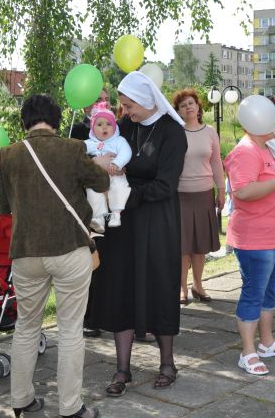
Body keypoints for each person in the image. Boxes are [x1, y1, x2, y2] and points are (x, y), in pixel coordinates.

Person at [0, 94, 107, 418]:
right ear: (56, 121)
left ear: (24, 122)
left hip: (26, 252)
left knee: (27, 328)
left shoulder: (8, 155)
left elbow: (2, 208)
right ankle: (71, 408)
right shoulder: (72, 148)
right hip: (69, 248)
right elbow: (100, 181)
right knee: (70, 329)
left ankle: (21, 401)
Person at [89, 71, 187, 395]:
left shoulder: (173, 132)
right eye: (123, 105)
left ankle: (168, 363)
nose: (126, 112)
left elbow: (165, 185)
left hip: (158, 221)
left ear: (146, 101)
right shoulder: (125, 128)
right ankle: (122, 369)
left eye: (130, 105)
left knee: (160, 285)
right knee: (121, 289)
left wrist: (129, 191)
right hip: (123, 223)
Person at [224, 118, 275, 376]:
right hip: (256, 236)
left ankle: (266, 342)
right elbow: (243, 192)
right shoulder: (245, 151)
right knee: (254, 293)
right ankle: (247, 352)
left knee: (269, 291)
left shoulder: (274, 146)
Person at [172, 89, 224, 304]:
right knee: (183, 247)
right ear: (178, 111)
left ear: (198, 106)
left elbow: (216, 162)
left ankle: (198, 286)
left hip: (204, 195)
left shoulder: (210, 131)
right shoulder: (175, 132)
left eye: (191, 103)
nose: (188, 107)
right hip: (180, 195)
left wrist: (221, 190)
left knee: (200, 245)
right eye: (183, 105)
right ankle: (181, 289)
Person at [84, 101, 132, 232]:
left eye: (109, 124)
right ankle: (98, 218)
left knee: (120, 188)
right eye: (99, 124)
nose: (104, 128)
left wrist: (117, 163)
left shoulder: (119, 141)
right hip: (97, 178)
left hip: (115, 173)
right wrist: (93, 161)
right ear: (93, 128)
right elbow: (77, 154)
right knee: (92, 192)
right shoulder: (89, 143)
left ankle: (116, 213)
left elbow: (126, 152)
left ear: (115, 127)